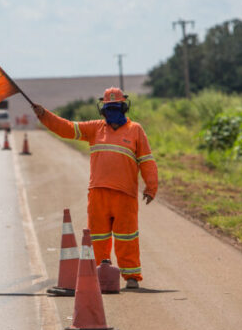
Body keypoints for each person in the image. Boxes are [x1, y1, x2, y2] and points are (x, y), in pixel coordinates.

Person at [32, 87, 158, 289]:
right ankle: (100, 272)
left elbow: (146, 160)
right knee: (98, 237)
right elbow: (67, 128)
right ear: (103, 110)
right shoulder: (95, 128)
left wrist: (151, 187)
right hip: (98, 193)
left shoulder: (136, 130)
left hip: (125, 195)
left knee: (127, 237)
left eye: (116, 108)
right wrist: (44, 115)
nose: (112, 112)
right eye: (109, 109)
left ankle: (131, 276)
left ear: (124, 108)